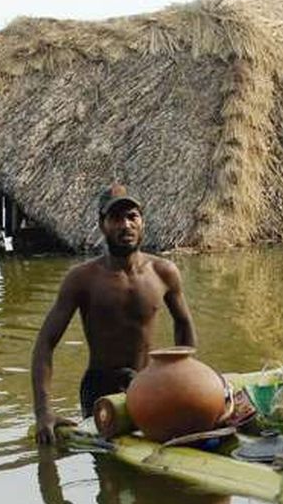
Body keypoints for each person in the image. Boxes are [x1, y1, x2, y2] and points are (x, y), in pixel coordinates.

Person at [31, 183, 196, 445]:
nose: (126, 225)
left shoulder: (163, 272)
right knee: (107, 470)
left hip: (146, 383)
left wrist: (185, 377)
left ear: (142, 221)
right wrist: (43, 412)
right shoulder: (82, 279)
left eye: (132, 216)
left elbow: (184, 324)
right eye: (116, 218)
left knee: (162, 451)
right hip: (99, 387)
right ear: (102, 224)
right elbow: (45, 344)